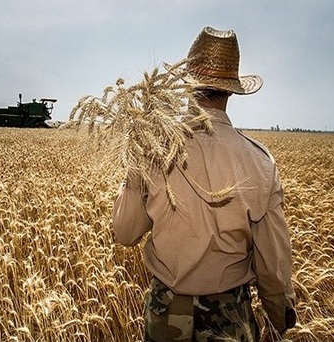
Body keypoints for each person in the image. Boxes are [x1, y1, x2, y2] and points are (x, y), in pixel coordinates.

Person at [112, 26, 296, 341]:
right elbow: (273, 263)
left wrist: (135, 167)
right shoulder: (260, 162)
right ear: (230, 90)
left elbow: (125, 232)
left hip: (164, 313)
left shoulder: (152, 150)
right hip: (230, 315)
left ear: (187, 87)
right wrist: (278, 317)